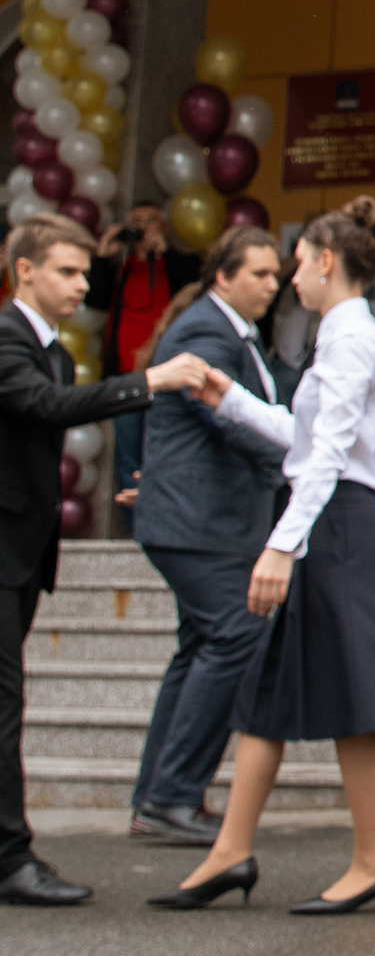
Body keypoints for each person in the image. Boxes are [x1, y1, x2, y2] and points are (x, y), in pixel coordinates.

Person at [150, 198, 375, 917]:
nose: (291, 278)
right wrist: (229, 397)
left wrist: (280, 545)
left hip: (337, 525)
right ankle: (231, 851)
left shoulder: (348, 338)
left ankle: (374, 859)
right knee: (266, 694)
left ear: (326, 261)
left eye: (296, 263)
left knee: (353, 698)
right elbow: (307, 437)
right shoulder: (347, 334)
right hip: (331, 519)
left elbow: (325, 456)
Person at [0, 212, 217, 906]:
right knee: (6, 706)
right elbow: (43, 406)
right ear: (24, 270)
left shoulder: (55, 349)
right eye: (67, 271)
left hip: (24, 555)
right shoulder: (8, 338)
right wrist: (148, 381)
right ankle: (10, 858)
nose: (81, 284)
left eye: (85, 272)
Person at [127, 223, 289, 846]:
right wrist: (295, 461)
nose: (272, 286)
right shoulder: (204, 330)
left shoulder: (236, 334)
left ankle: (161, 797)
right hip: (198, 521)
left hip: (204, 517)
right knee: (235, 632)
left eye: (276, 275)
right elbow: (223, 415)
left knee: (201, 646)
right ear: (223, 275)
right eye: (259, 274)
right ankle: (170, 798)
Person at [93, 203, 198, 516]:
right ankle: (134, 528)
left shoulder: (178, 262)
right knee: (128, 456)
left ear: (164, 226)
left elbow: (193, 289)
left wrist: (163, 252)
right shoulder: (120, 265)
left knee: (164, 452)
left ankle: (163, 521)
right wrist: (102, 255)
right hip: (125, 376)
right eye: (135, 222)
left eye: (149, 222)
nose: (141, 229)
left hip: (168, 374)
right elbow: (94, 298)